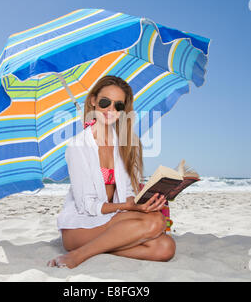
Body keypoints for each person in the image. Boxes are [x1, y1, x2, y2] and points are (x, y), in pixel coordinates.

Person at [47, 75, 176, 269]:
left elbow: (128, 193)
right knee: (156, 222)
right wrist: (130, 207)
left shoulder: (126, 145)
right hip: (81, 226)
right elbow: (86, 206)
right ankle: (78, 255)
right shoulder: (78, 145)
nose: (110, 110)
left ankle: (104, 246)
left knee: (166, 248)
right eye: (105, 102)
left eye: (118, 106)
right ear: (93, 101)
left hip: (114, 221)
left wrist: (143, 202)